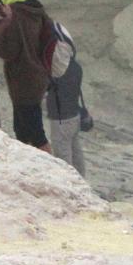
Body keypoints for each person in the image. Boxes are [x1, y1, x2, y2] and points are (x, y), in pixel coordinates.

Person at [0, 0, 52, 151]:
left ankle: (53, 172)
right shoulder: (36, 8)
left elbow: (8, 51)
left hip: (22, 78)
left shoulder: (13, 14)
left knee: (33, 132)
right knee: (25, 129)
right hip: (39, 74)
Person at [46, 23, 87, 176]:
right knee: (76, 153)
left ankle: (70, 185)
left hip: (61, 120)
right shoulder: (75, 66)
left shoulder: (59, 68)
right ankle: (82, 182)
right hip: (73, 115)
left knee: (63, 158)